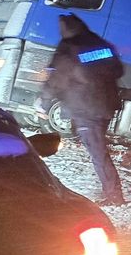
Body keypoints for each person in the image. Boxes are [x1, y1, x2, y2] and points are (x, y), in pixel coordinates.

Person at [38, 13, 126, 205]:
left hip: (86, 108)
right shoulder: (100, 44)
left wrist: (44, 103)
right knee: (97, 148)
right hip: (105, 105)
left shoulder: (68, 49)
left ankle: (114, 196)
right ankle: (111, 190)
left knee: (97, 152)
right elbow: (119, 70)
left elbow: (56, 80)